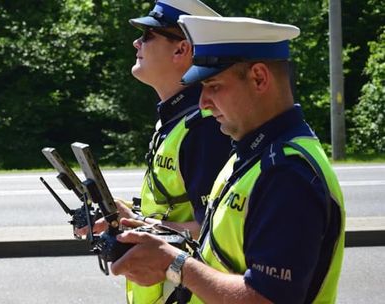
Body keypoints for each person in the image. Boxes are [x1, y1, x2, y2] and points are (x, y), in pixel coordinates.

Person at [111, 16, 346, 304]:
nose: (203, 103)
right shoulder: (253, 155)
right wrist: (143, 227)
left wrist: (173, 265)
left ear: (259, 78)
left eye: (214, 86)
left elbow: (265, 299)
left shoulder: (287, 174)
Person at [77, 1, 231, 303]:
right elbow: (176, 211)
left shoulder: (204, 127)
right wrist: (129, 218)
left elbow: (211, 230)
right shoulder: (176, 120)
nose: (136, 42)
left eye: (148, 35)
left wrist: (140, 230)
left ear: (181, 50)